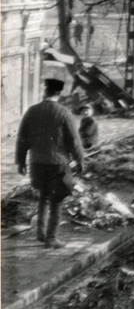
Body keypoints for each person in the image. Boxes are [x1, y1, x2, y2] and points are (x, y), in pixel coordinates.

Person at [17, 72, 85, 248]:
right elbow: (74, 141)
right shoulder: (64, 113)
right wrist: (80, 161)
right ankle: (51, 238)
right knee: (56, 201)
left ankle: (40, 234)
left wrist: (20, 161)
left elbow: (22, 138)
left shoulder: (32, 111)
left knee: (42, 199)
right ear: (59, 94)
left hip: (36, 163)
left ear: (45, 91)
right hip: (58, 164)